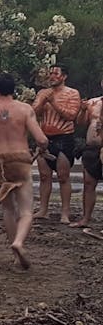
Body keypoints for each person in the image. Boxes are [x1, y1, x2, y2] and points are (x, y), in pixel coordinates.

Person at [0, 72, 49, 269]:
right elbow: (41, 139)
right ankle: (19, 242)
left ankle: (14, 253)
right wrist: (42, 149)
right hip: (19, 158)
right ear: (13, 89)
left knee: (8, 208)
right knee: (26, 210)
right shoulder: (24, 109)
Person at [32, 64, 81, 224]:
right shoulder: (43, 92)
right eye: (50, 73)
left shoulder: (72, 93)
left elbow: (71, 115)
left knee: (63, 177)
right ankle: (43, 209)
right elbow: (33, 114)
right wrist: (41, 101)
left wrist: (53, 102)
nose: (52, 76)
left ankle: (65, 212)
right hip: (45, 138)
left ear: (64, 76)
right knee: (44, 176)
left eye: (55, 73)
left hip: (63, 138)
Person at [70, 78, 103, 230]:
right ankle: (85, 218)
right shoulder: (93, 102)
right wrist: (83, 110)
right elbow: (81, 123)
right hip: (92, 148)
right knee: (89, 183)